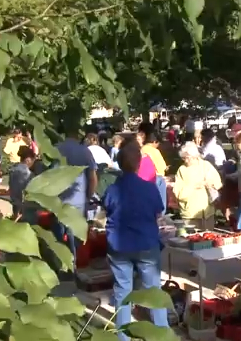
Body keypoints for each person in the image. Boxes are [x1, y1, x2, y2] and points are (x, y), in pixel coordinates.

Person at [102, 140, 169, 341]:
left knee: (123, 293)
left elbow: (106, 208)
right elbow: (159, 212)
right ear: (139, 163)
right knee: (153, 291)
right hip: (146, 244)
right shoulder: (149, 189)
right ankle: (161, 333)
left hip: (119, 246)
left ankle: (123, 337)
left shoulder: (113, 189)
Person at [55, 119, 98, 256]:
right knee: (77, 238)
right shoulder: (84, 151)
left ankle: (62, 266)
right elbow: (92, 177)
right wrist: (89, 196)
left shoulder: (55, 150)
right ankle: (74, 266)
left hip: (58, 201)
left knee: (59, 238)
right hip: (78, 201)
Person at [174, 142, 223, 231]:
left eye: (187, 158)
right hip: (190, 215)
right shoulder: (182, 170)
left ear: (195, 156)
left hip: (207, 213)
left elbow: (218, 183)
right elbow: (179, 194)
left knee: (209, 241)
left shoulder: (206, 165)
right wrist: (194, 186)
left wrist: (210, 183)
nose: (185, 160)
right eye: (183, 158)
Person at [141, 133, 168, 213]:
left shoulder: (141, 149)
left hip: (143, 178)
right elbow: (161, 167)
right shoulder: (155, 151)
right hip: (156, 177)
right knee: (160, 204)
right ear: (155, 142)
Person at [8, 146, 36, 216]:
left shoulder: (13, 170)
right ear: (28, 160)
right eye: (33, 161)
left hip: (15, 204)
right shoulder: (28, 174)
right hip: (26, 207)